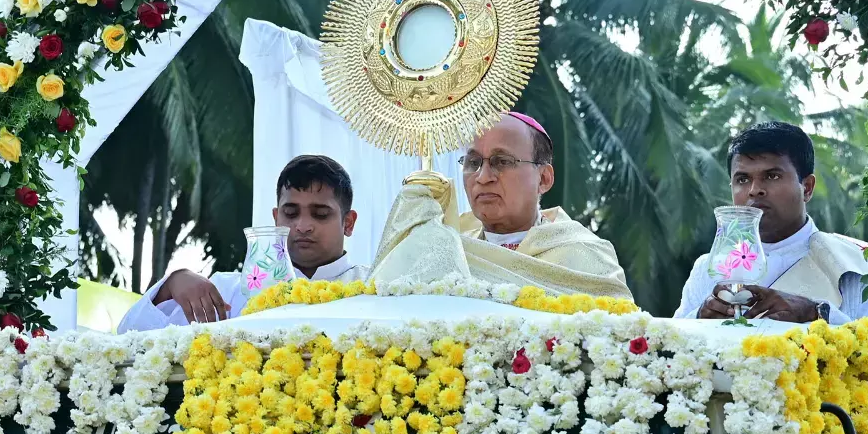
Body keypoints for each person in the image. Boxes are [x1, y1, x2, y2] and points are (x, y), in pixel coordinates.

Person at [371, 112, 633, 300]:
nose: (483, 177)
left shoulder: (584, 255)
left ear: (544, 178)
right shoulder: (444, 246)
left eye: (502, 162)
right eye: (473, 163)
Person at [118, 155, 369, 331]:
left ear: (348, 223)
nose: (302, 225)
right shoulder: (226, 292)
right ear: (275, 218)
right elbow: (129, 335)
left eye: (320, 214)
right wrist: (171, 285)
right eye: (290, 213)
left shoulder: (374, 288)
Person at [674, 121, 868, 323]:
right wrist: (699, 318)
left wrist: (817, 313)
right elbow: (666, 348)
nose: (754, 190)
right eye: (742, 179)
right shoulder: (708, 269)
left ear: (807, 187)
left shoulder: (859, 264)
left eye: (772, 176)